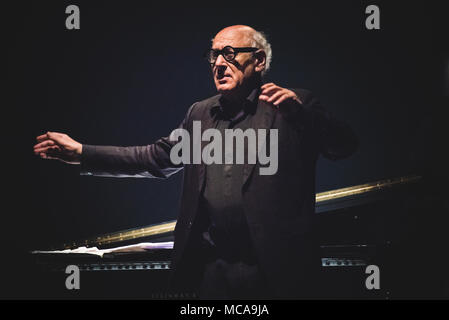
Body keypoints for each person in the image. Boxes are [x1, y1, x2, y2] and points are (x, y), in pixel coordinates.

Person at [33, 25, 358, 299]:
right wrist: (82, 153)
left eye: (229, 53)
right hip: (212, 275)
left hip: (276, 274)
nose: (218, 62)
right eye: (214, 55)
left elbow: (343, 146)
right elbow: (155, 158)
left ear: (258, 60)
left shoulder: (291, 106)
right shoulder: (200, 113)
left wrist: (302, 116)